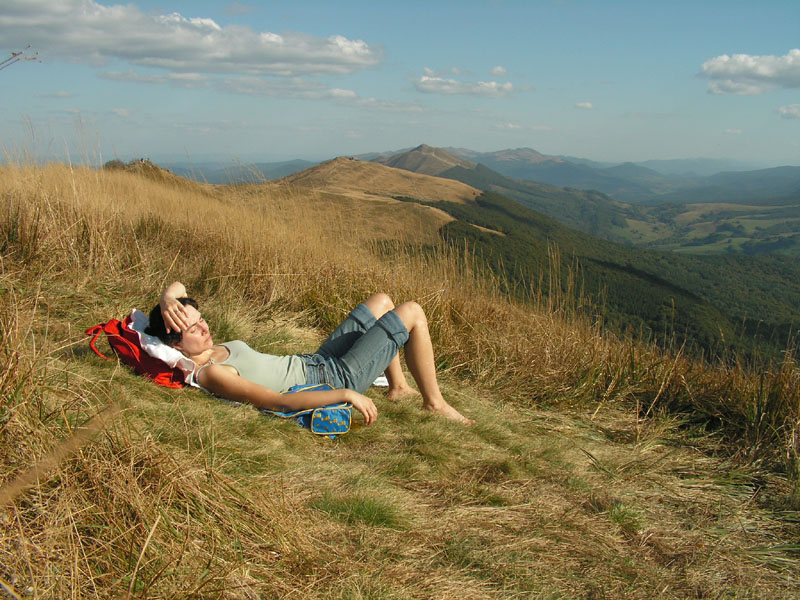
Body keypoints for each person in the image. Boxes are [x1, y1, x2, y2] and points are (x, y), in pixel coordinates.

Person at [145, 282, 474, 426]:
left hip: (314, 360)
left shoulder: (208, 349)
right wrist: (344, 394)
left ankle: (398, 387)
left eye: (201, 320)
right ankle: (435, 404)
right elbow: (277, 403)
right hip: (328, 379)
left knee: (383, 302)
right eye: (193, 330)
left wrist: (166, 300)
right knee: (412, 312)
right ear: (175, 345)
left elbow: (177, 288)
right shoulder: (211, 373)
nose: (204, 328)